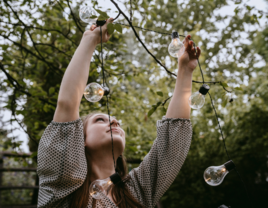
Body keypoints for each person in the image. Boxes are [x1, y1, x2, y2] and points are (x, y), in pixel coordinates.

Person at [37, 17, 201, 208]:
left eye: (116, 122)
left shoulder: (136, 191)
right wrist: (90, 40)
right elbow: (67, 104)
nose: (115, 122)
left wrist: (185, 70)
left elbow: (172, 143)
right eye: (100, 120)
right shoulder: (62, 188)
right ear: (77, 139)